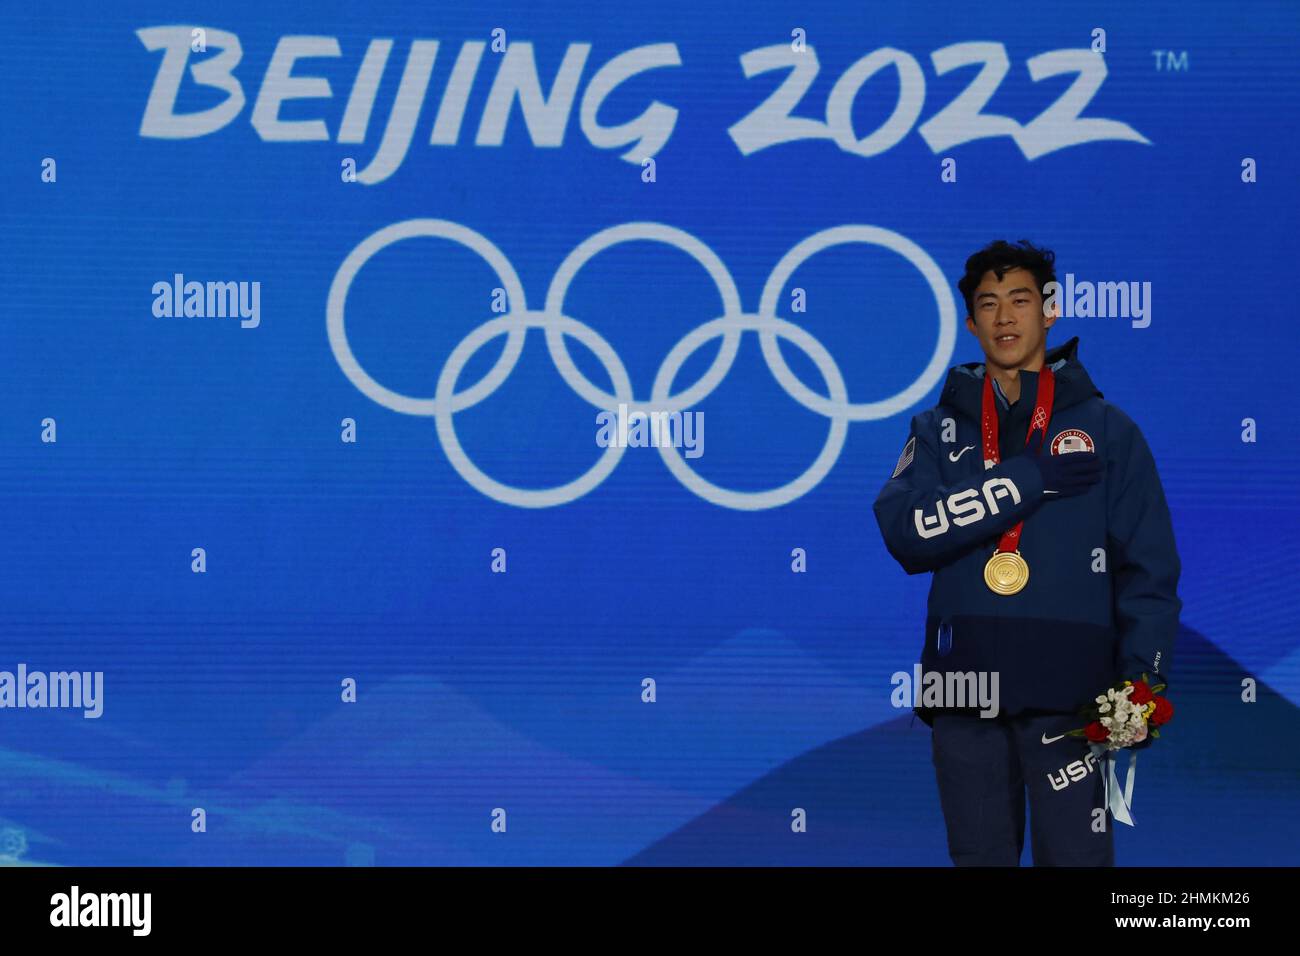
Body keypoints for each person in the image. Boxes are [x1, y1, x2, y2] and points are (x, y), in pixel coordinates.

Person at [872, 239, 1181, 866]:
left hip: (1072, 699)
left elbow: (1148, 570)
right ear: (970, 322)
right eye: (989, 304)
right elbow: (905, 532)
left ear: (1051, 311)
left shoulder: (1108, 429)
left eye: (1020, 300)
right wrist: (1028, 480)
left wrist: (1142, 684)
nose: (1005, 318)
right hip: (964, 693)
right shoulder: (937, 431)